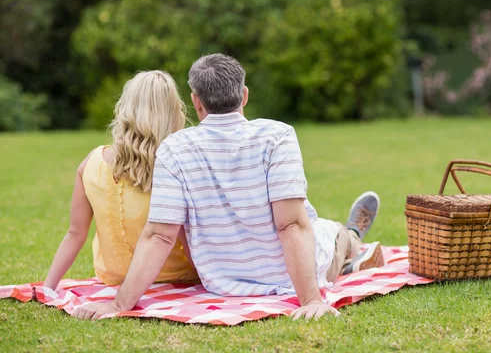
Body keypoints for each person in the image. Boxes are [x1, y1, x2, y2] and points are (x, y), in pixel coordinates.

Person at [74, 54, 384, 321]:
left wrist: (119, 303)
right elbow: (290, 224)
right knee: (330, 232)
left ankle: (352, 251)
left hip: (224, 283)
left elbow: (159, 235)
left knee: (321, 230)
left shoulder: (174, 149)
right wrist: (312, 300)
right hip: (291, 276)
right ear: (244, 95)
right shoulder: (277, 135)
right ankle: (353, 241)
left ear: (196, 101)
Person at [44, 71, 199, 290]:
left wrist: (48, 288)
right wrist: (215, 283)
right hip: (177, 279)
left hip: (114, 279)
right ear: (173, 113)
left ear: (125, 108)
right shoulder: (174, 167)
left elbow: (75, 233)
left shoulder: (91, 163)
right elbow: (186, 240)